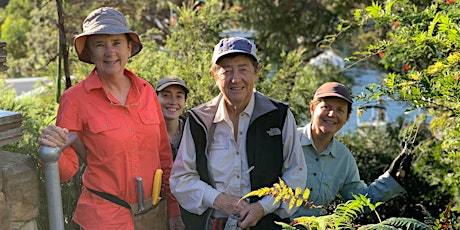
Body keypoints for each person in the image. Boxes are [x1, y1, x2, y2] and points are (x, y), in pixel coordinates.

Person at [37, 7, 183, 230]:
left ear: (129, 47)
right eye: (99, 44)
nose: (109, 52)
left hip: (151, 213)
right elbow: (64, 173)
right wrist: (51, 149)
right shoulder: (75, 99)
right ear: (90, 53)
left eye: (116, 43)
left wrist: (173, 209)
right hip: (104, 217)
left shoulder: (146, 92)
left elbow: (164, 156)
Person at [169, 37, 308, 230]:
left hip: (267, 224)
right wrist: (218, 200)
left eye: (243, 69)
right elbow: (181, 178)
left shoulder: (279, 116)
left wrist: (262, 207)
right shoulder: (199, 120)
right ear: (214, 75)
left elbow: (296, 175)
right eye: (227, 71)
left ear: (257, 72)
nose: (236, 79)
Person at [291, 82, 412, 219]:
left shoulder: (344, 158)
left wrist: (392, 178)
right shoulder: (288, 142)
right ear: (312, 108)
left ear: (347, 117)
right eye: (326, 107)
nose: (332, 114)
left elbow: (360, 202)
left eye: (340, 110)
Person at [155, 76, 189, 160]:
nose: (173, 102)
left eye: (178, 96)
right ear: (155, 99)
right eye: (166, 95)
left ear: (185, 102)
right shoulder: (145, 134)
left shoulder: (193, 132)